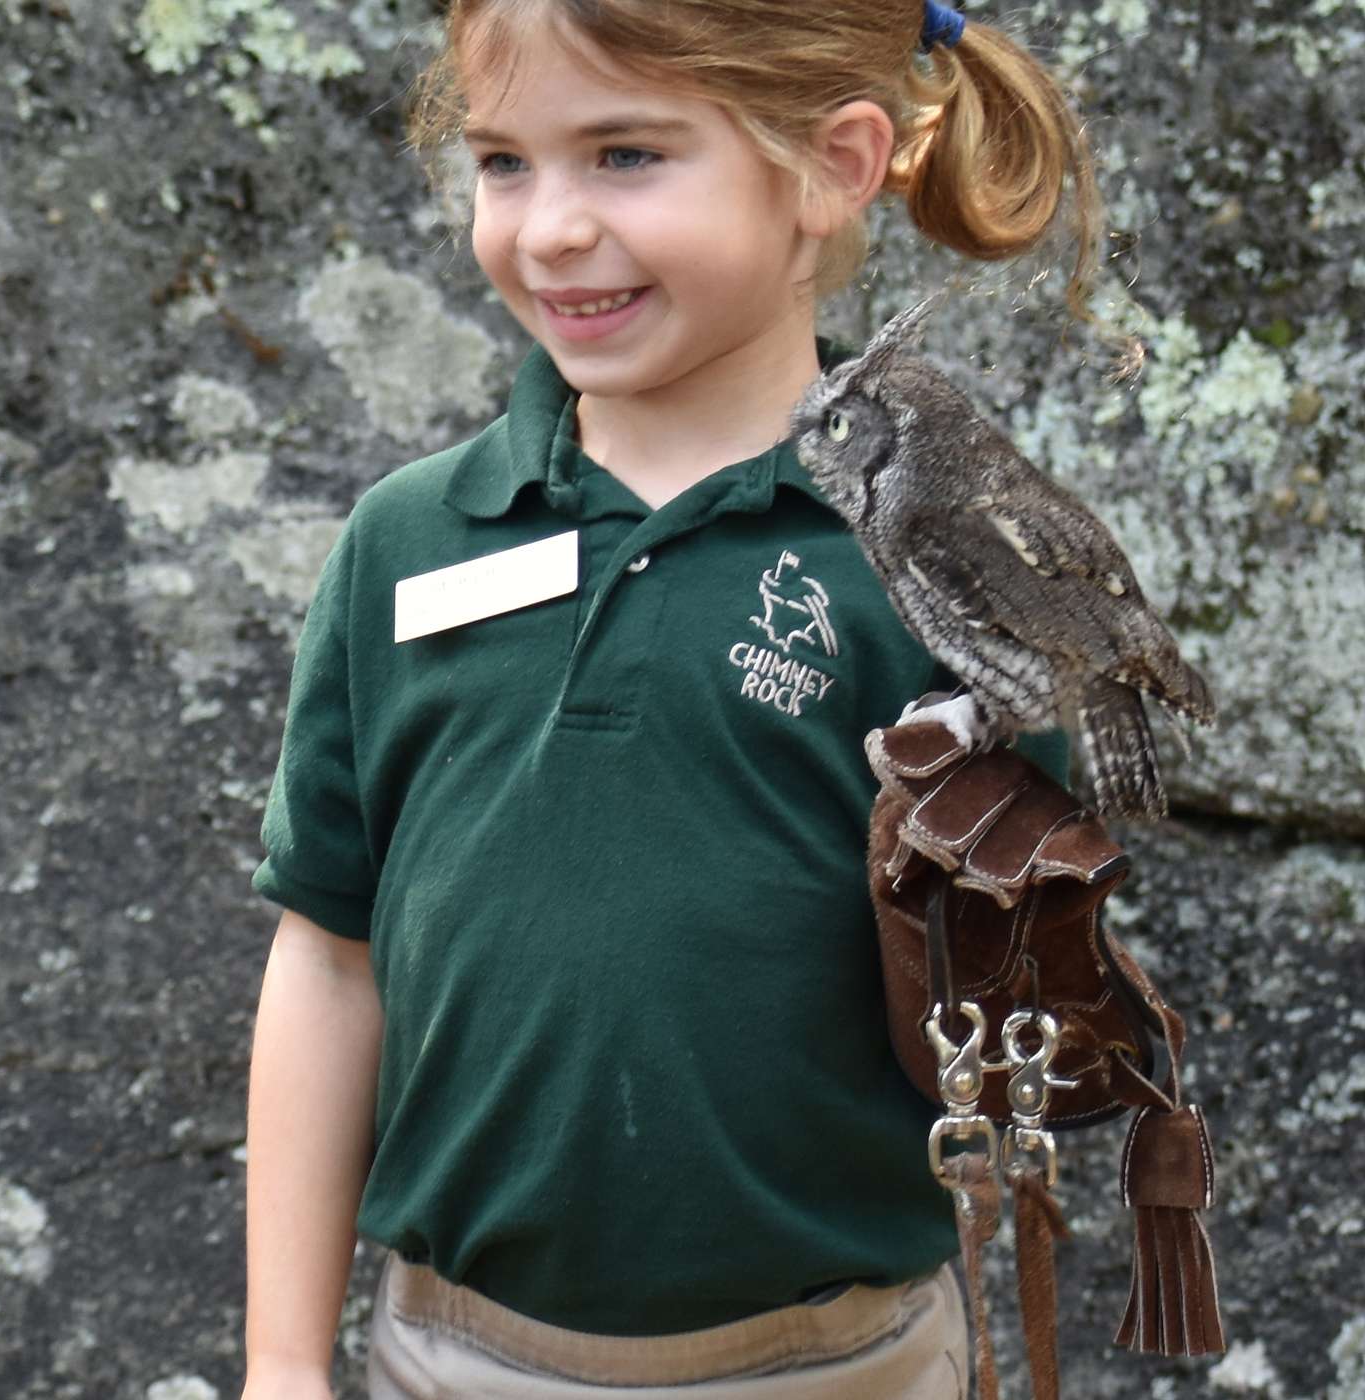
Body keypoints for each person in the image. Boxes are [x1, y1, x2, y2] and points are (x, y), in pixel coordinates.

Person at [241, 2, 1096, 1396]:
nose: (549, 228)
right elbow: (329, 961)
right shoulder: (406, 542)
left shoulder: (933, 558)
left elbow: (1014, 1001)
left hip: (841, 1362)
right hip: (451, 1357)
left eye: (627, 153)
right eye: (503, 161)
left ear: (832, 165)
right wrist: (283, 1361)